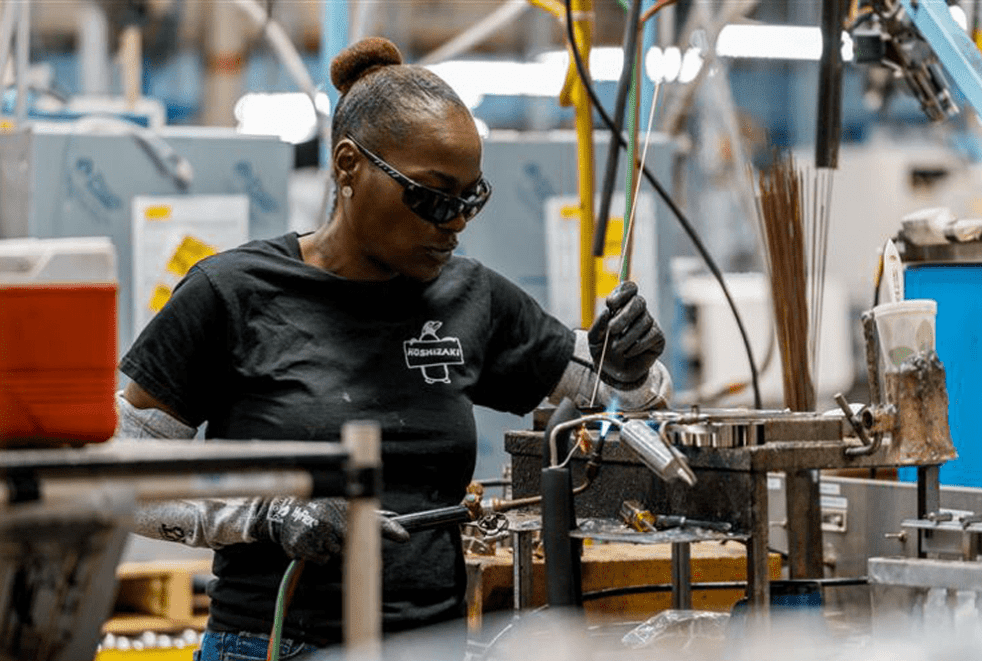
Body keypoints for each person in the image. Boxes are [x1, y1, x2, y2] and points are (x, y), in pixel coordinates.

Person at [116, 36, 671, 661]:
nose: (454, 221)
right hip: (272, 644)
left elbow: (618, 394)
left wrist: (631, 368)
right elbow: (114, 474)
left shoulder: (471, 298)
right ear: (349, 166)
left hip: (427, 645)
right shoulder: (232, 293)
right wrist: (263, 514)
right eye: (433, 197)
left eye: (471, 198)